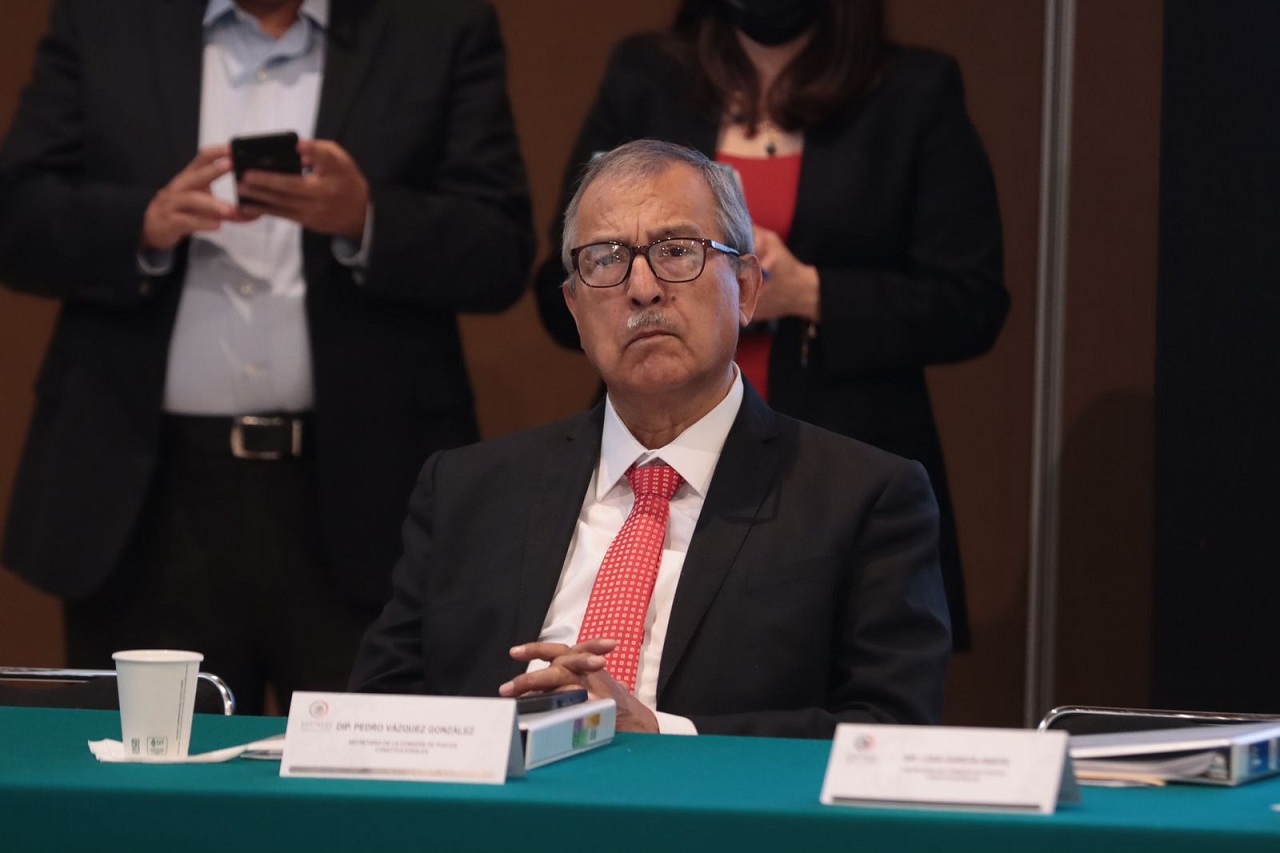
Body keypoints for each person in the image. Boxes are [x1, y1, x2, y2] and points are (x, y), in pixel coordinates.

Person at [0, 0, 532, 714]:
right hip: (146, 498)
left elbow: (501, 248)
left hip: (367, 494)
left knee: (363, 780)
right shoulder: (105, 18)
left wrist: (369, 219)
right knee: (150, 776)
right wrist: (141, 223)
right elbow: (16, 216)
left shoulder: (435, 23)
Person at [349, 139, 950, 739]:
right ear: (574, 309)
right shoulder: (466, 490)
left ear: (747, 288)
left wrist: (660, 736)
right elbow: (375, 717)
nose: (642, 288)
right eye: (606, 259)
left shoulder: (863, 498)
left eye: (677, 251)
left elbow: (888, 729)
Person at [531, 0, 1007, 650]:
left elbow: (971, 302)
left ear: (749, 284)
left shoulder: (913, 90)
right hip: (654, 446)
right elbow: (564, 277)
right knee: (650, 656)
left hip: (836, 451)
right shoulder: (648, 74)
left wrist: (814, 294)